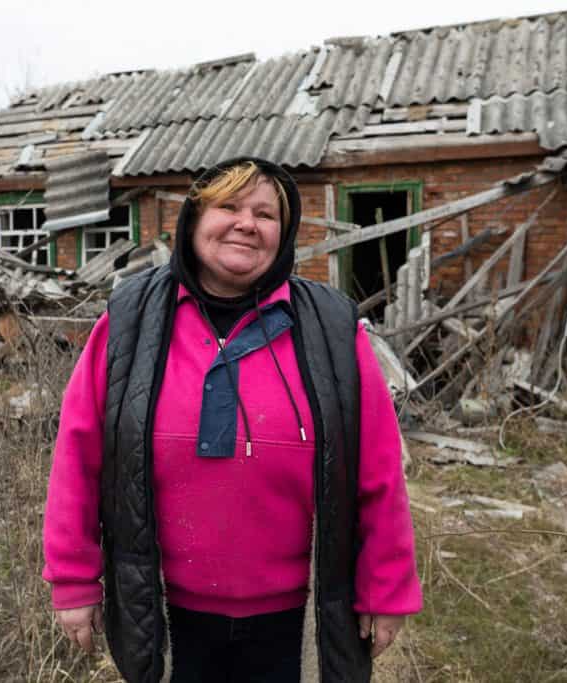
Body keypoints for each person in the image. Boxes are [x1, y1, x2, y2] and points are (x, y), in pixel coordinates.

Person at [42, 157, 421, 683]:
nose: (247, 223)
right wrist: (73, 579)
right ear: (193, 220)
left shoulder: (333, 329)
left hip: (297, 616)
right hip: (166, 612)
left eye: (265, 214)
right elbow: (79, 456)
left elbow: (377, 469)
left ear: (282, 235)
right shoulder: (130, 321)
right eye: (228, 206)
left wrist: (386, 588)